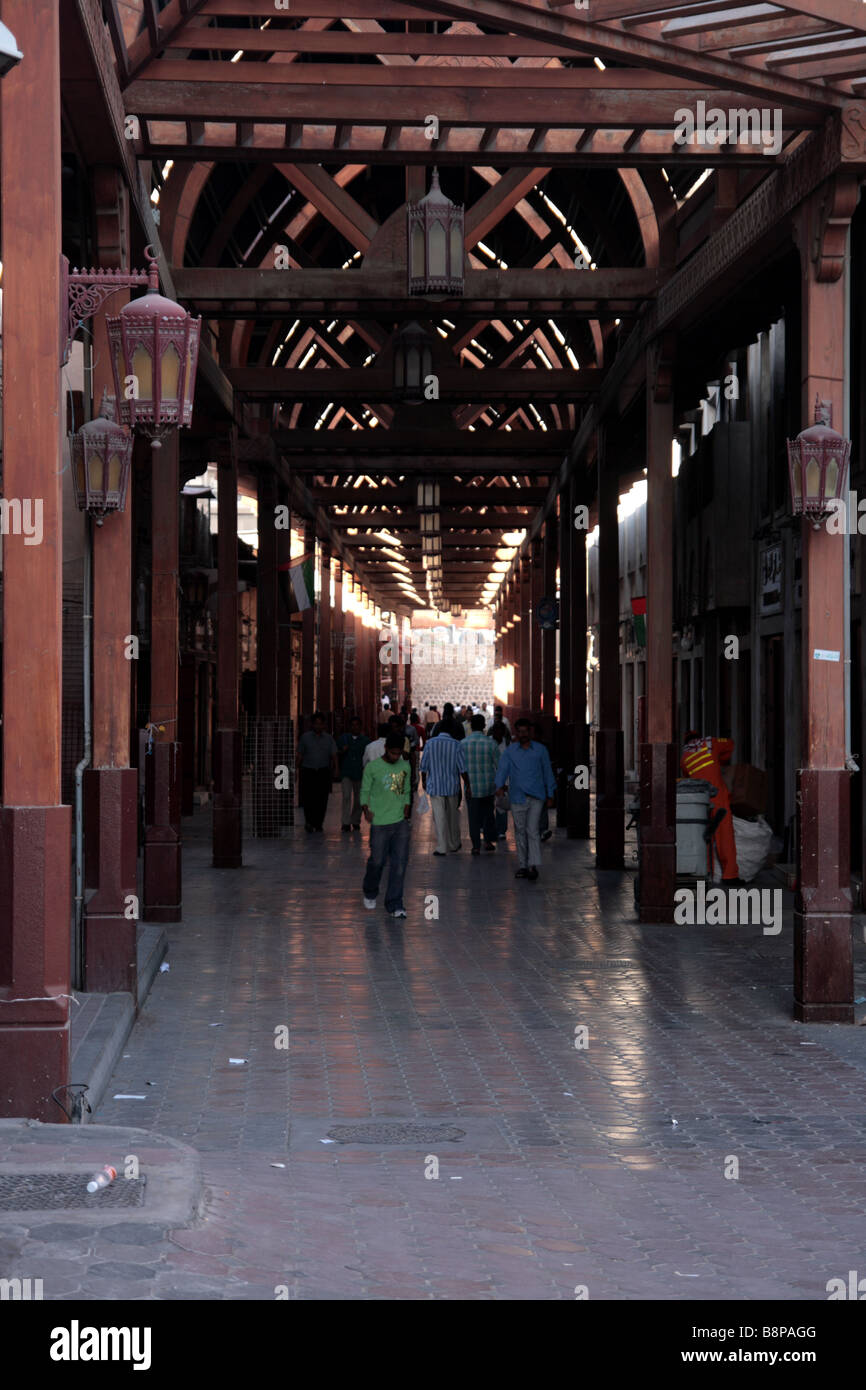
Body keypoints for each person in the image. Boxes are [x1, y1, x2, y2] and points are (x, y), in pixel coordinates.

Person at [495, 717, 556, 881]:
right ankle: (523, 865)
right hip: (517, 797)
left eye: (525, 731)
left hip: (536, 797)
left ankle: (533, 865)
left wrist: (551, 793)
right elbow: (502, 770)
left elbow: (547, 772)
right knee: (520, 832)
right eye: (520, 731)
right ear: (516, 733)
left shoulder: (541, 750)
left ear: (530, 732)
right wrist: (499, 786)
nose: (523, 734)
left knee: (533, 831)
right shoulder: (510, 751)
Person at [360, 732, 412, 918]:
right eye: (393, 753)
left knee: (399, 864)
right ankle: (370, 889)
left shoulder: (404, 766)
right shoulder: (373, 768)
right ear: (386, 749)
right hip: (380, 822)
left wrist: (406, 806)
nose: (396, 757)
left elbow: (404, 790)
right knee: (377, 861)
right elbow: (365, 790)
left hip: (399, 822)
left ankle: (395, 903)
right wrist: (366, 809)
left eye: (399, 754)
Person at [681, 730, 741, 883]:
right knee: (724, 836)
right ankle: (730, 876)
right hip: (718, 797)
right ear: (699, 737)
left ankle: (706, 873)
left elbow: (689, 780)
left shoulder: (685, 758)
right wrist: (721, 760)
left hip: (701, 801)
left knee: (704, 836)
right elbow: (731, 744)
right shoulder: (711, 743)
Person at [458, 714, 500, 854]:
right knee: (488, 814)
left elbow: (460, 767)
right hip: (488, 786)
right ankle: (487, 842)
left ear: (471, 726)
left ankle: (476, 846)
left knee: (473, 817)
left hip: (471, 788)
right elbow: (498, 766)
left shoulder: (463, 743)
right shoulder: (491, 743)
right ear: (484, 726)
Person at [420, 726, 462, 855]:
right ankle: (454, 844)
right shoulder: (456, 744)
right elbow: (462, 768)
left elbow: (424, 766)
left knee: (439, 816)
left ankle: (442, 847)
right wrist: (467, 785)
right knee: (453, 816)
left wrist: (424, 782)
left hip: (436, 785)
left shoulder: (429, 744)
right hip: (452, 785)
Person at [296, 712, 339, 832]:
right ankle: (309, 822)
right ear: (312, 724)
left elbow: (334, 755)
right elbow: (299, 755)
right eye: (316, 724)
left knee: (322, 798)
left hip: (323, 772)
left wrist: (336, 769)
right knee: (308, 798)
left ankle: (319, 822)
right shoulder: (305, 737)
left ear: (324, 725)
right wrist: (295, 770)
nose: (318, 726)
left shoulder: (329, 738)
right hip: (308, 771)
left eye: (320, 724)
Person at [336, 715, 370, 832]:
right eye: (353, 725)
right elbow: (336, 753)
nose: (355, 727)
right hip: (346, 771)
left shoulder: (366, 741)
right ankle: (345, 822)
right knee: (346, 797)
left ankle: (355, 820)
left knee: (359, 799)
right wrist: (343, 751)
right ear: (350, 727)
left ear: (361, 726)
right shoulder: (344, 739)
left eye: (357, 725)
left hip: (360, 773)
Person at [488, 720, 511, 839]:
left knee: (501, 804)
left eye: (501, 731)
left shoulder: (507, 743)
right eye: (497, 731)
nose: (499, 734)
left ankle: (501, 830)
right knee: (489, 804)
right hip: (489, 777)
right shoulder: (488, 742)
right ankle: (489, 828)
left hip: (502, 778)